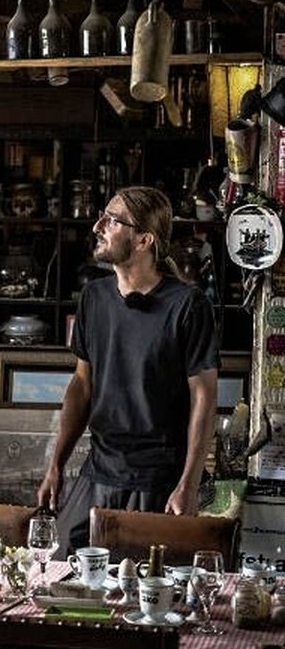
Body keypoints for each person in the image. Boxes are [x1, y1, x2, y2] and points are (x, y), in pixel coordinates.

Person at [37, 185, 218, 556]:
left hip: (158, 477)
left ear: (143, 240)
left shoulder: (188, 305)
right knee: (60, 564)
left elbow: (204, 397)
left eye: (112, 220)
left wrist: (189, 483)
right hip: (99, 468)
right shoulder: (94, 297)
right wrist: (55, 464)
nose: (97, 226)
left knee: (140, 586)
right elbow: (82, 385)